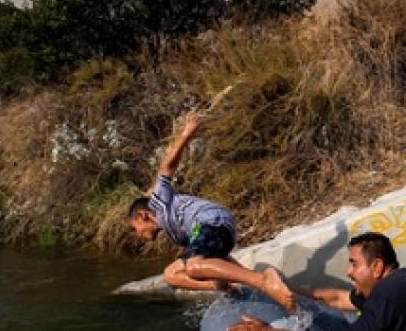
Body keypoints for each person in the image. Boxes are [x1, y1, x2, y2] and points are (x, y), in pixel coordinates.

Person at [125, 114, 295, 311]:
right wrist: (224, 279)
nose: (138, 235)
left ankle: (263, 281)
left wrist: (187, 134)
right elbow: (217, 256)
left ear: (142, 216)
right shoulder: (175, 231)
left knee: (194, 265)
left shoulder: (157, 203)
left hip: (211, 222)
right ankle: (231, 288)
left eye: (135, 229)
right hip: (215, 231)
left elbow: (167, 166)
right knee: (171, 274)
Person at [228, 232, 406, 331]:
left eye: (354, 263)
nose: (348, 272)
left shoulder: (389, 290)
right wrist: (281, 291)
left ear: (377, 267)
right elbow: (336, 298)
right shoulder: (388, 289)